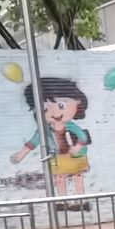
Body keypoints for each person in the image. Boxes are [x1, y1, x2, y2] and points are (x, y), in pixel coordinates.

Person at [12, 77, 92, 209]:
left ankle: (81, 201)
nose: (54, 112)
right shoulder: (45, 130)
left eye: (61, 105)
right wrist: (21, 154)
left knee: (78, 176)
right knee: (59, 178)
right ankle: (63, 202)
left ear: (77, 102)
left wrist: (78, 146)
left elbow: (82, 136)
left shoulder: (71, 126)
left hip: (75, 156)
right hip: (56, 156)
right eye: (44, 108)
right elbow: (34, 141)